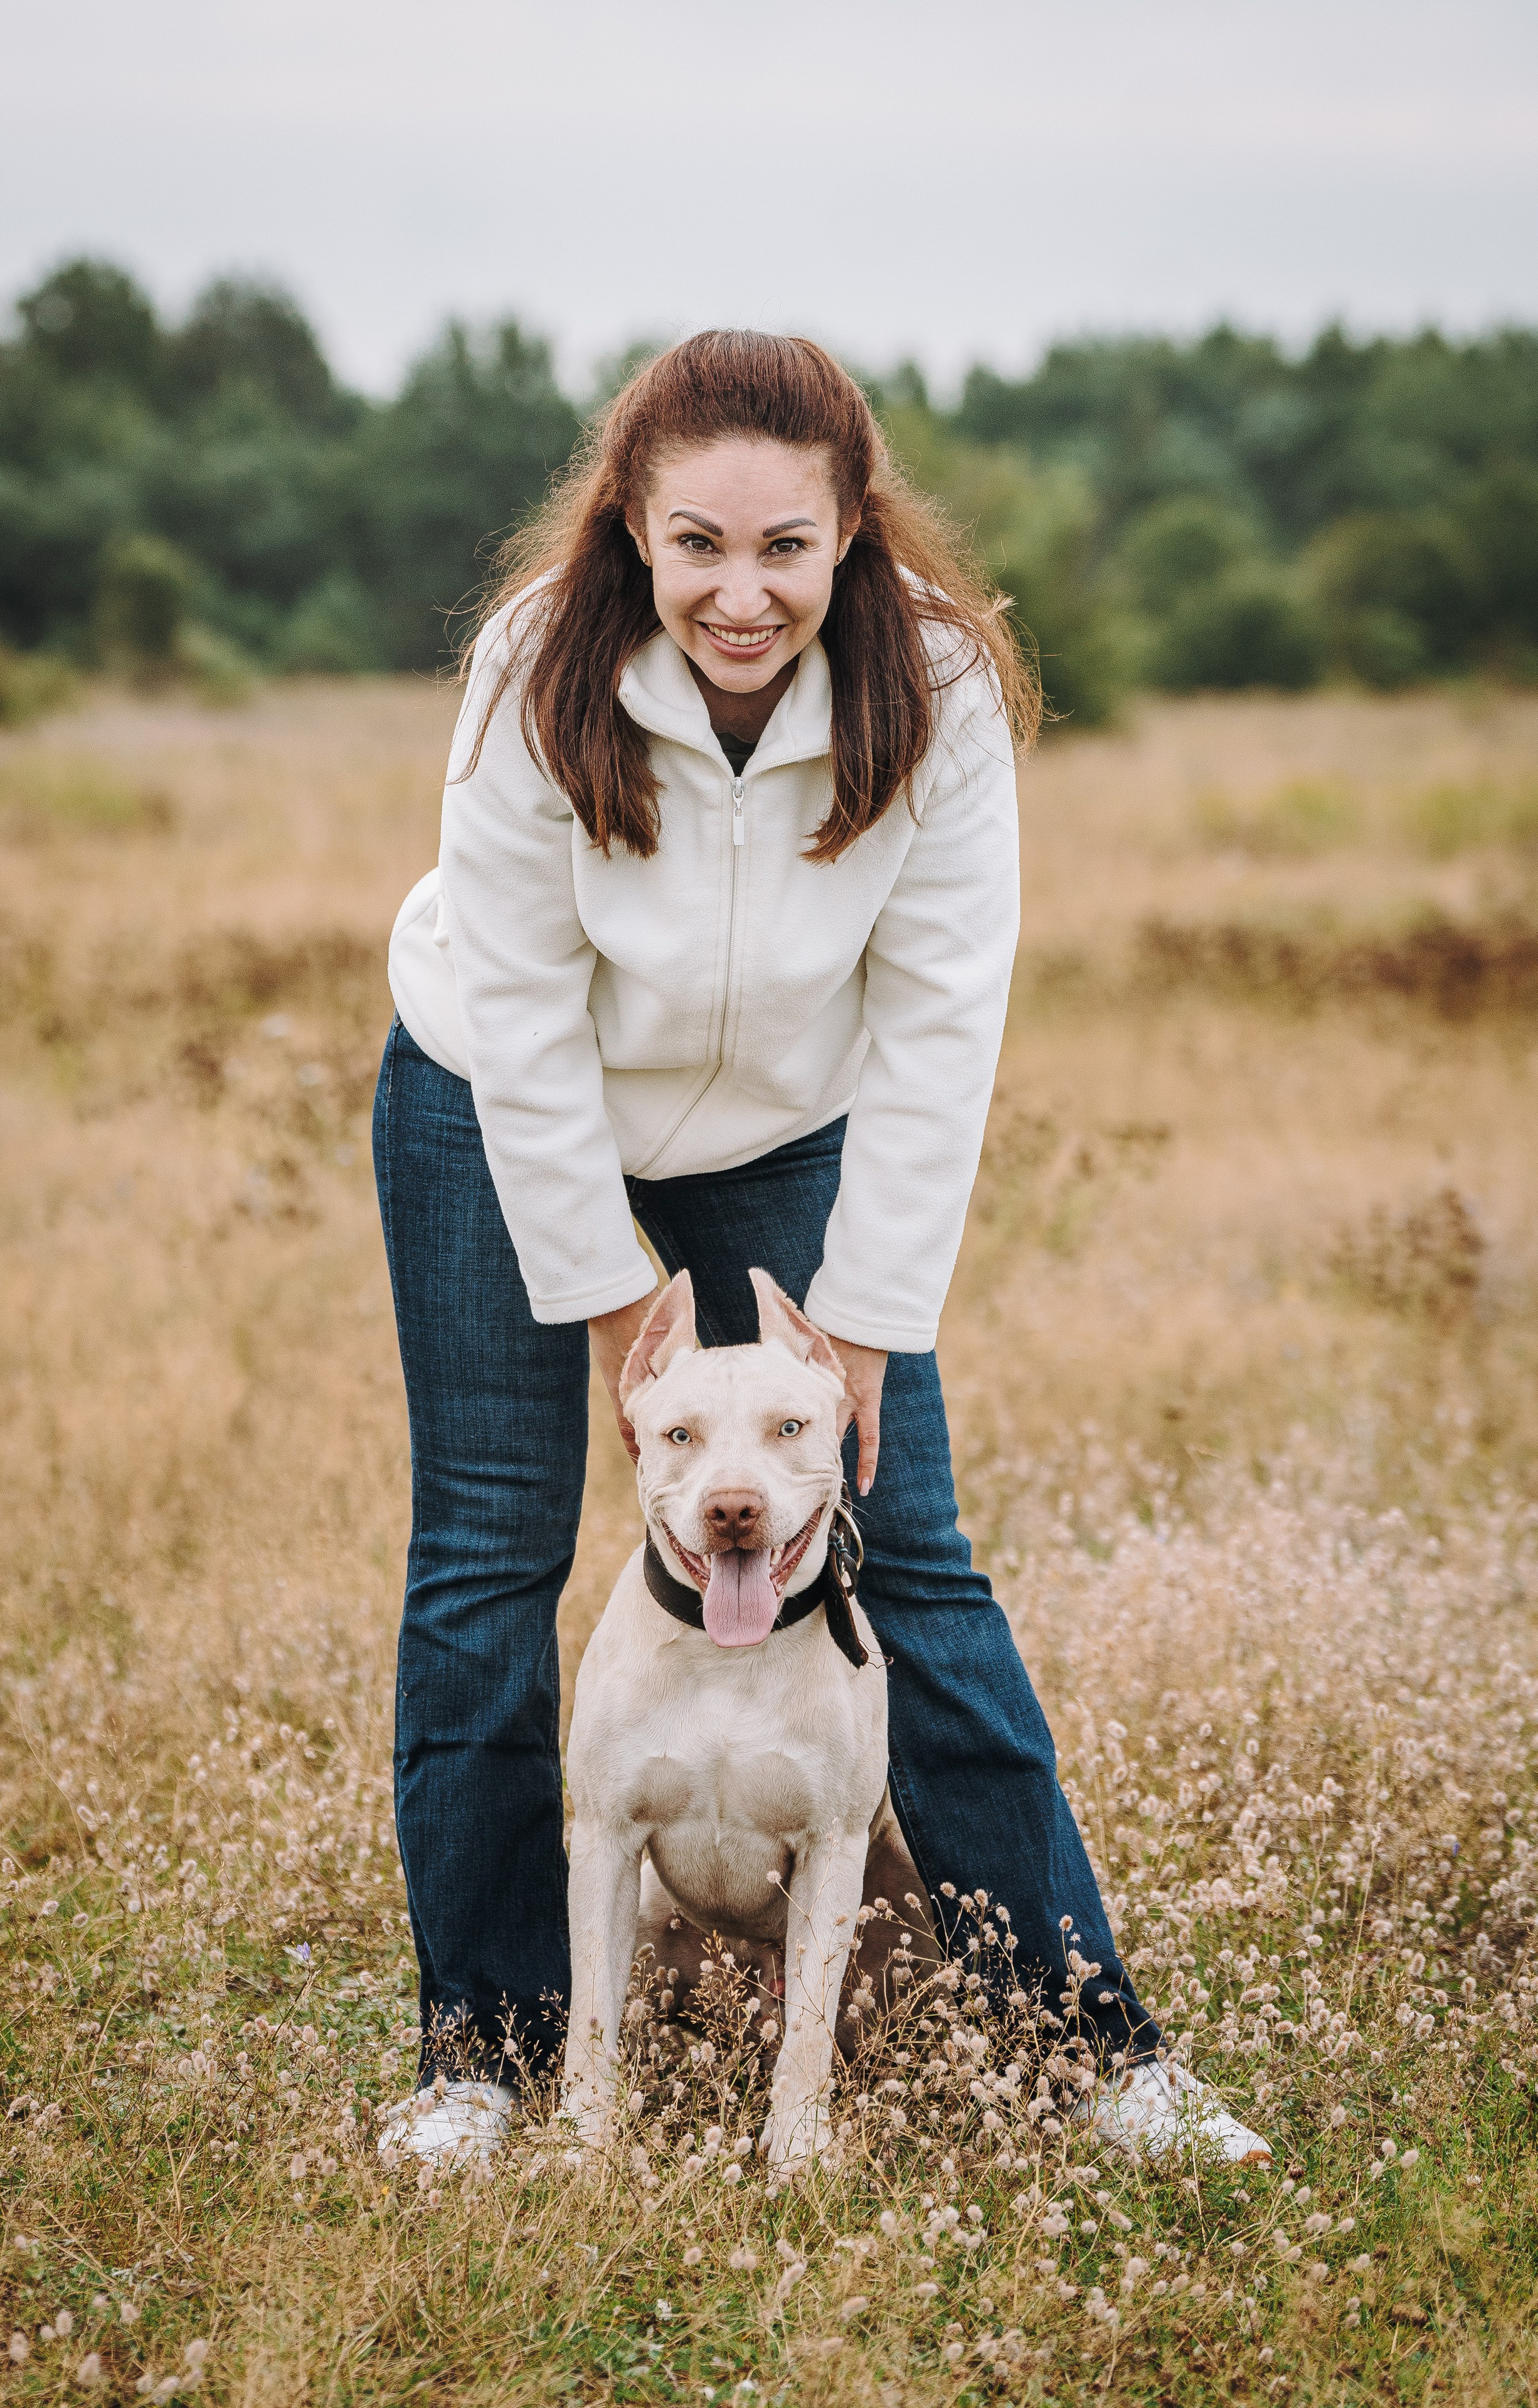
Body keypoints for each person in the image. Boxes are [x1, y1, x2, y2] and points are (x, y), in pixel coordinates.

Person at [373, 331, 1268, 2169]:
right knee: (488, 1552)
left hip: (787, 1124)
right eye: (696, 543)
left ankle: (1103, 2052)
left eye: (788, 546)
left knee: (910, 1555)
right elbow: (528, 1015)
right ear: (632, 521)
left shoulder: (930, 681)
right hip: (494, 1098)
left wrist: (861, 1324)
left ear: (855, 530)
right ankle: (490, 2059)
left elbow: (944, 1024)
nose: (741, 590)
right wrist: (621, 1301)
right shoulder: (530, 662)